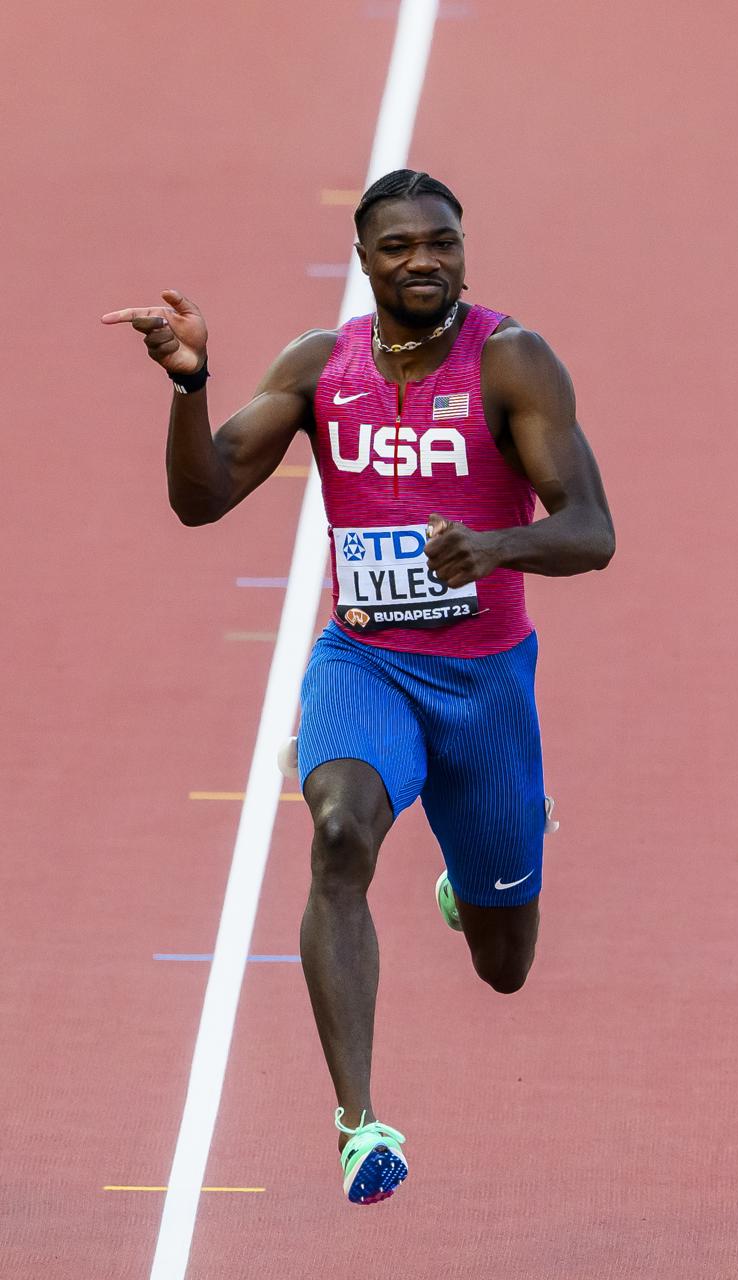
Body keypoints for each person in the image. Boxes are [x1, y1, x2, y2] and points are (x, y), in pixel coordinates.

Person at [103, 169, 615, 1198]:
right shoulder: (320, 368)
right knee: (337, 833)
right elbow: (201, 500)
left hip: (483, 686)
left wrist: (496, 543)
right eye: (398, 246)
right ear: (363, 258)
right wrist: (189, 384)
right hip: (365, 660)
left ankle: (469, 885)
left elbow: (592, 530)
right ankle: (360, 1123)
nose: (424, 260)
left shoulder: (513, 362)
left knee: (505, 964)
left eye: (442, 242)